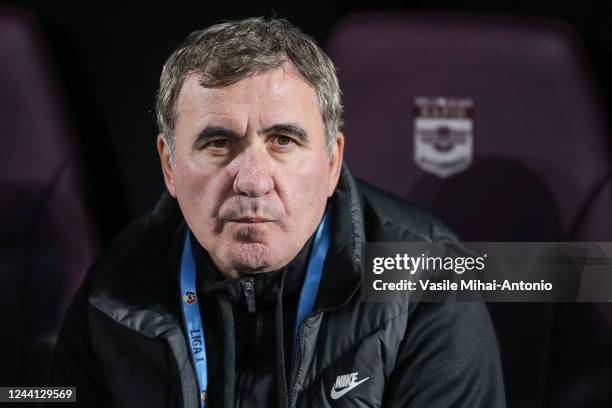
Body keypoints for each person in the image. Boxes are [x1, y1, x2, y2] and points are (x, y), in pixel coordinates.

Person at [49, 17, 505, 407]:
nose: (251, 179)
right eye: (218, 143)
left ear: (331, 163)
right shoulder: (113, 293)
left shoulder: (432, 285)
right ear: (169, 165)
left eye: (283, 141)